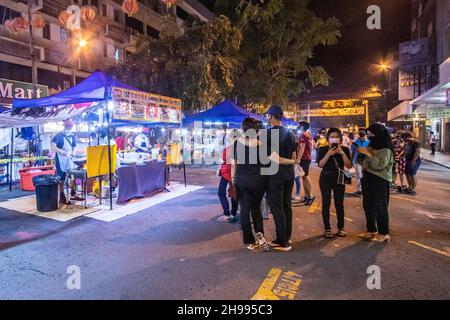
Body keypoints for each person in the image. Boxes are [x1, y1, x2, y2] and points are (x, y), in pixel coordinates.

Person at [231, 118, 268, 250]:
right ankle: (261, 236)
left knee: (244, 211)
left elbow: (234, 164)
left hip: (242, 180)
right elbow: (265, 164)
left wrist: (232, 179)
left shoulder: (237, 143)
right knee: (256, 208)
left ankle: (250, 240)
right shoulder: (261, 144)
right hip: (258, 181)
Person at [265, 105, 297, 252]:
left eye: (267, 116)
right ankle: (287, 236)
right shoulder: (290, 134)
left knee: (277, 208)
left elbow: (272, 158)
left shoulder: (267, 134)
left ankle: (282, 241)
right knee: (286, 206)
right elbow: (293, 155)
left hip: (275, 175)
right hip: (289, 174)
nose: (266, 118)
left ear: (271, 117)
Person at [357, 123, 394, 242]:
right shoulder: (371, 146)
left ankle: (384, 233)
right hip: (367, 178)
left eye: (371, 133)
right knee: (368, 205)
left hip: (380, 180)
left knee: (380, 207)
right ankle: (371, 230)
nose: (369, 136)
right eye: (368, 134)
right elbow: (362, 162)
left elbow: (379, 165)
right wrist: (364, 155)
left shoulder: (386, 149)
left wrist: (368, 154)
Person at [317, 128, 352, 238]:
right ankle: (327, 228)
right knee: (326, 203)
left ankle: (341, 227)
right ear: (328, 139)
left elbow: (349, 165)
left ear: (340, 139)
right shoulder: (322, 149)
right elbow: (320, 164)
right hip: (325, 177)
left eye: (337, 137)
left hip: (339, 178)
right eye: (332, 137)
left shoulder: (345, 149)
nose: (334, 139)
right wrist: (329, 154)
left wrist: (342, 153)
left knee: (339, 203)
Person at [51, 119, 76, 204]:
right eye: (67, 126)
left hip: (69, 159)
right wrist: (61, 151)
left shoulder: (72, 136)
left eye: (70, 126)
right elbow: (53, 147)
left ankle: (73, 191)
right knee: (61, 178)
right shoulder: (58, 135)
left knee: (72, 176)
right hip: (60, 160)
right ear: (64, 126)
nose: (69, 128)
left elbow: (74, 147)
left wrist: (73, 153)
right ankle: (62, 195)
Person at [217, 140, 238, 223]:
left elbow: (222, 159)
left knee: (222, 193)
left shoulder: (228, 149)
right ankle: (233, 213)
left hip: (227, 173)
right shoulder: (241, 149)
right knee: (234, 193)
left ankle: (227, 214)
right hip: (234, 173)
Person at [296, 121, 315, 205]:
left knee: (305, 177)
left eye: (300, 125)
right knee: (303, 177)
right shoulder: (308, 134)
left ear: (302, 126)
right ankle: (307, 196)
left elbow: (302, 148)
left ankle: (310, 196)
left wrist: (298, 159)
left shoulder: (304, 135)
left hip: (304, 158)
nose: (299, 127)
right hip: (306, 158)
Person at [350, 128, 369, 195]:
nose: (361, 133)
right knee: (359, 175)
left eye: (363, 132)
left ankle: (365, 188)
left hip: (366, 161)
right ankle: (359, 189)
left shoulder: (368, 142)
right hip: (357, 160)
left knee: (365, 175)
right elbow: (352, 152)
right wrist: (351, 161)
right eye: (360, 131)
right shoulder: (354, 143)